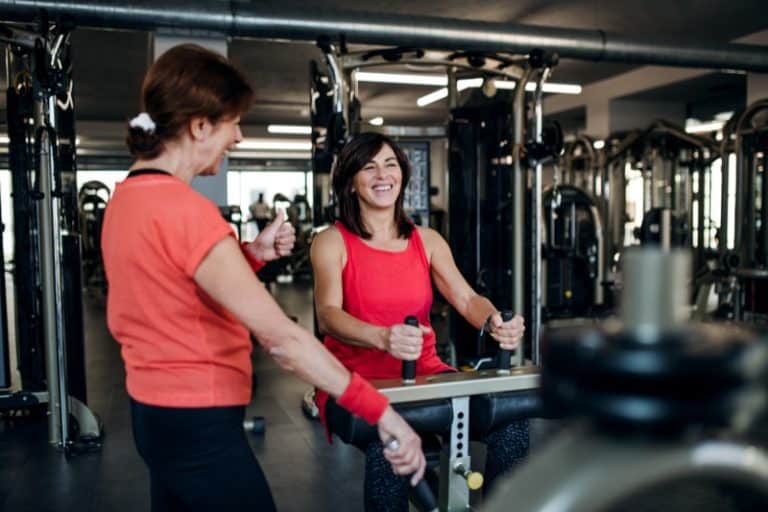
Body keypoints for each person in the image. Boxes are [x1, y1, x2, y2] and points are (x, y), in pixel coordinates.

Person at [101, 45, 425, 512]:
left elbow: (176, 290)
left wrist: (250, 256)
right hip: (200, 421)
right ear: (199, 126)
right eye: (233, 122)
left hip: (154, 415)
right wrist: (381, 411)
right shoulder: (185, 211)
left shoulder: (127, 198)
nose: (238, 137)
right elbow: (282, 340)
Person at [311, 132, 529, 512]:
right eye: (369, 166)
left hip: (425, 374)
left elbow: (465, 298)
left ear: (403, 175)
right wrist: (381, 337)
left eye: (390, 164)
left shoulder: (426, 240)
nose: (382, 175)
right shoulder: (331, 241)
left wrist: (493, 320)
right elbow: (327, 316)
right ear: (350, 182)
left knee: (511, 429)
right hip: (357, 380)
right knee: (388, 446)